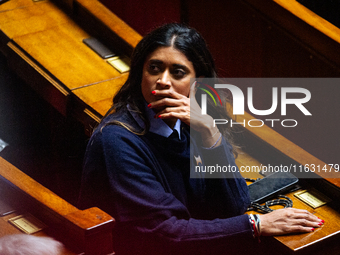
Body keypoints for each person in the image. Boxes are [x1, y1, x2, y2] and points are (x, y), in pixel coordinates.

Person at [78, 23, 324, 255]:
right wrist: (255, 223)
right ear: (140, 72)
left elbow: (235, 204)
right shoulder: (117, 139)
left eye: (178, 72)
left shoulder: (192, 121)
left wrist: (210, 134)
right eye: (154, 67)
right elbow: (165, 233)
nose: (163, 80)